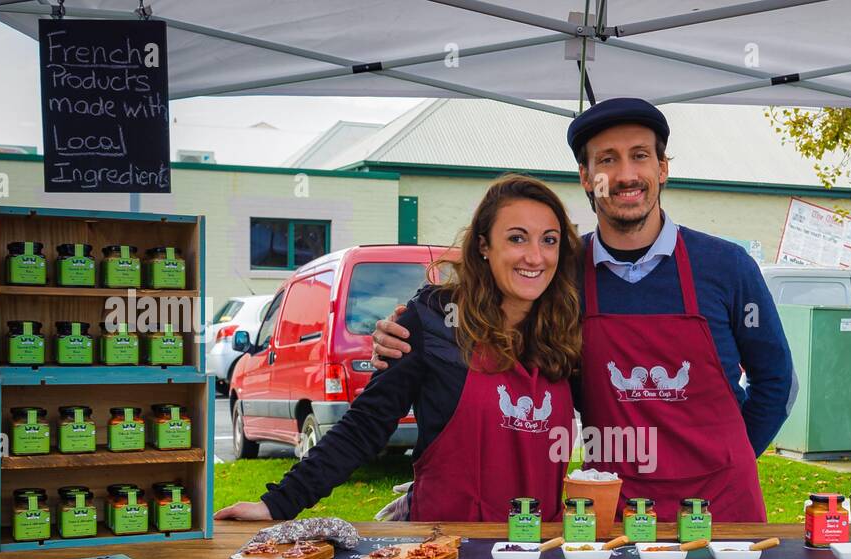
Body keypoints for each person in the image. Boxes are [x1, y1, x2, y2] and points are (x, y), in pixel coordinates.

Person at [372, 98, 793, 522]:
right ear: (587, 179)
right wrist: (408, 332)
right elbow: (492, 328)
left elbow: (776, 381)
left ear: (662, 169)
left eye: (640, 156)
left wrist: (728, 458)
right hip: (616, 511)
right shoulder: (560, 273)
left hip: (723, 509)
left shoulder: (726, 266)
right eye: (607, 160)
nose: (626, 175)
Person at [214, 174, 582, 524]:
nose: (536, 257)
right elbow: (367, 424)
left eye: (549, 240)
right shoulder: (434, 319)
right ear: (484, 245)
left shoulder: (566, 329)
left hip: (536, 550)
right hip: (444, 545)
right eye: (517, 238)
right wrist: (278, 502)